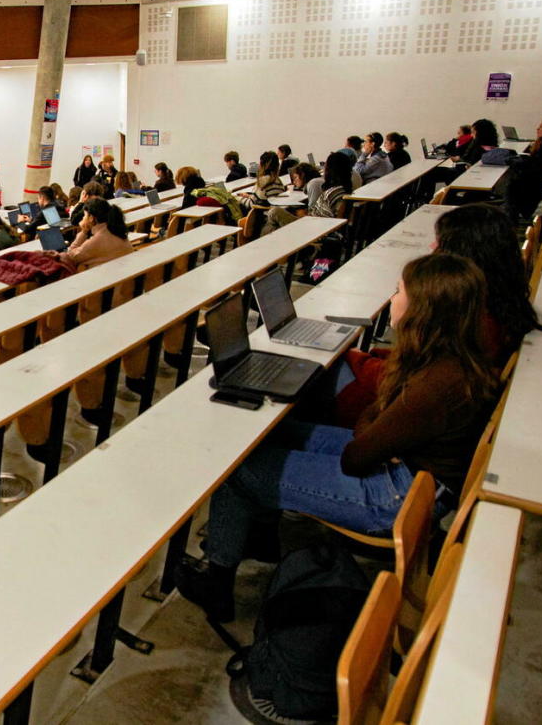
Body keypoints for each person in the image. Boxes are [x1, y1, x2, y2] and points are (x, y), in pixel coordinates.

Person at [176, 253, 499, 621]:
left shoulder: (436, 386)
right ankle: (259, 538)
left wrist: (373, 418)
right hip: (408, 473)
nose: (392, 298)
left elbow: (355, 456)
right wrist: (377, 419)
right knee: (269, 435)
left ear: (424, 311)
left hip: (397, 495)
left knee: (236, 468)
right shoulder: (448, 360)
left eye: (399, 292)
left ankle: (217, 582)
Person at [328, 203, 542, 427]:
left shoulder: (470, 320)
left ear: (463, 250)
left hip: (398, 409)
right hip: (411, 400)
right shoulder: (497, 303)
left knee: (320, 378)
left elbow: (412, 381)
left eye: (440, 241)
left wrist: (355, 358)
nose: (432, 245)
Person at [261, 151, 353, 235]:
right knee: (273, 225)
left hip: (311, 229)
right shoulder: (342, 190)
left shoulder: (330, 192)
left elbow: (315, 216)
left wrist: (301, 214)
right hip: (316, 226)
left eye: (326, 166)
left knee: (274, 212)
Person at [47, 197, 133, 269]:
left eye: (84, 215)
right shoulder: (116, 230)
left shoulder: (97, 240)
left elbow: (70, 256)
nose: (83, 218)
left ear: (91, 218)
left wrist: (84, 232)